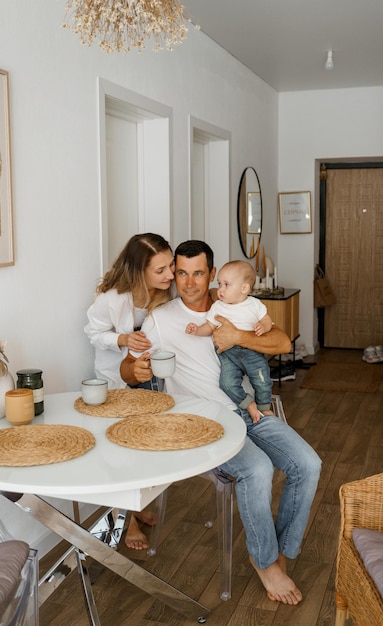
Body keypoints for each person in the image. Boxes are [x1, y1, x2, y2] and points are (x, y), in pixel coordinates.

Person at [120, 240, 322, 605]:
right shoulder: (161, 319)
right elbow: (127, 369)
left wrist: (239, 336)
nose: (189, 282)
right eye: (181, 273)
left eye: (198, 273)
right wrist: (133, 369)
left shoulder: (234, 304)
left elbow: (279, 341)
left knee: (308, 464)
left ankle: (278, 553)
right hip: (204, 421)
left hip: (251, 411)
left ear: (212, 274)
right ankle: (265, 562)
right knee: (257, 469)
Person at [85, 233, 175, 550]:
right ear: (140, 271)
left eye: (171, 266)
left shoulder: (163, 295)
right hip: (114, 379)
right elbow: (92, 331)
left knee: (144, 443)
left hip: (148, 377)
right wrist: (122, 340)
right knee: (119, 450)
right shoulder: (112, 298)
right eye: (161, 269)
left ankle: (134, 506)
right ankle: (128, 521)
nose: (170, 275)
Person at [186, 259, 273, 423]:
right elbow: (209, 326)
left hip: (251, 351)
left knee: (263, 380)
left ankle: (264, 407)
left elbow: (267, 320)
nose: (220, 289)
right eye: (219, 284)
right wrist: (197, 330)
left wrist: (263, 326)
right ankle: (249, 404)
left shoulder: (254, 305)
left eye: (227, 284)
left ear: (244, 288)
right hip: (228, 354)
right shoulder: (218, 307)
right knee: (226, 384)